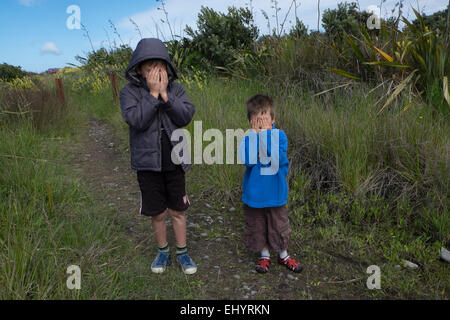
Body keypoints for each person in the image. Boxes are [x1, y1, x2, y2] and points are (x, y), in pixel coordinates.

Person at [120, 38, 197, 275]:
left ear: (167, 66)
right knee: (158, 212)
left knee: (178, 210)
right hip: (147, 165)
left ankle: (182, 253)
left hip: (175, 163)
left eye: (159, 64)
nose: (155, 70)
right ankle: (163, 251)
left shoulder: (177, 89)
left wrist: (165, 96)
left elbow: (185, 116)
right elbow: (136, 121)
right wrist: (152, 95)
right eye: (148, 65)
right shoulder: (129, 93)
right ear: (139, 69)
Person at [238, 94, 303, 274]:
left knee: (278, 225)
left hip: (275, 193)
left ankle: (283, 255)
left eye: (264, 115)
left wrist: (266, 135)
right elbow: (249, 161)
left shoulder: (280, 136)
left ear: (273, 119)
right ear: (250, 120)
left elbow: (277, 159)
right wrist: (255, 136)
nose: (260, 120)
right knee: (257, 225)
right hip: (254, 195)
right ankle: (264, 255)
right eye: (255, 116)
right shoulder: (248, 138)